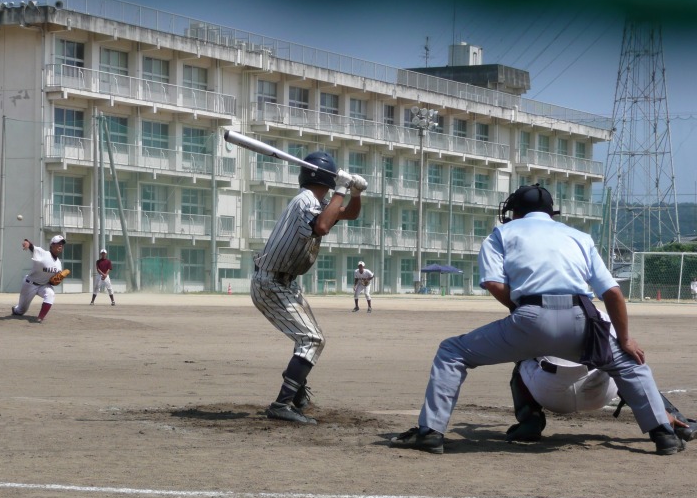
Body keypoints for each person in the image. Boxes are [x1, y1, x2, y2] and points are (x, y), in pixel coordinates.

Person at [389, 183, 682, 455]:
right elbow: (613, 293)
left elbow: (493, 282)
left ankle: (431, 432)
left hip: (530, 316)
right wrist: (626, 339)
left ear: (514, 212)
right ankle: (663, 433)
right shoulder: (579, 237)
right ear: (551, 213)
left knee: (452, 352)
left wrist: (521, 312)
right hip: (581, 318)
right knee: (630, 364)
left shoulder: (502, 233)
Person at [251, 153, 367, 424]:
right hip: (270, 282)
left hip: (284, 282)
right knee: (311, 339)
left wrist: (356, 193)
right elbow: (323, 226)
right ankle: (282, 404)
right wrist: (341, 188)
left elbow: (347, 213)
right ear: (327, 177)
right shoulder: (305, 201)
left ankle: (297, 391)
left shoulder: (318, 201)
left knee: (308, 338)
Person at [507, 354, 697, 447]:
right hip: (599, 392)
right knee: (626, 369)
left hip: (549, 393)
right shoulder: (599, 316)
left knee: (521, 359)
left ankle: (530, 421)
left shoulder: (530, 316)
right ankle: (666, 429)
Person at [11, 235, 66, 323]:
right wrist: (27, 243)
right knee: (21, 311)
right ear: (52, 245)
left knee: (50, 294)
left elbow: (53, 281)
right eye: (58, 243)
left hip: (43, 285)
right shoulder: (43, 253)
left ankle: (40, 317)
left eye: (62, 244)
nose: (61, 245)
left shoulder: (58, 264)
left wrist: (57, 281)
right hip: (30, 284)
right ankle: (16, 309)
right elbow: (31, 246)